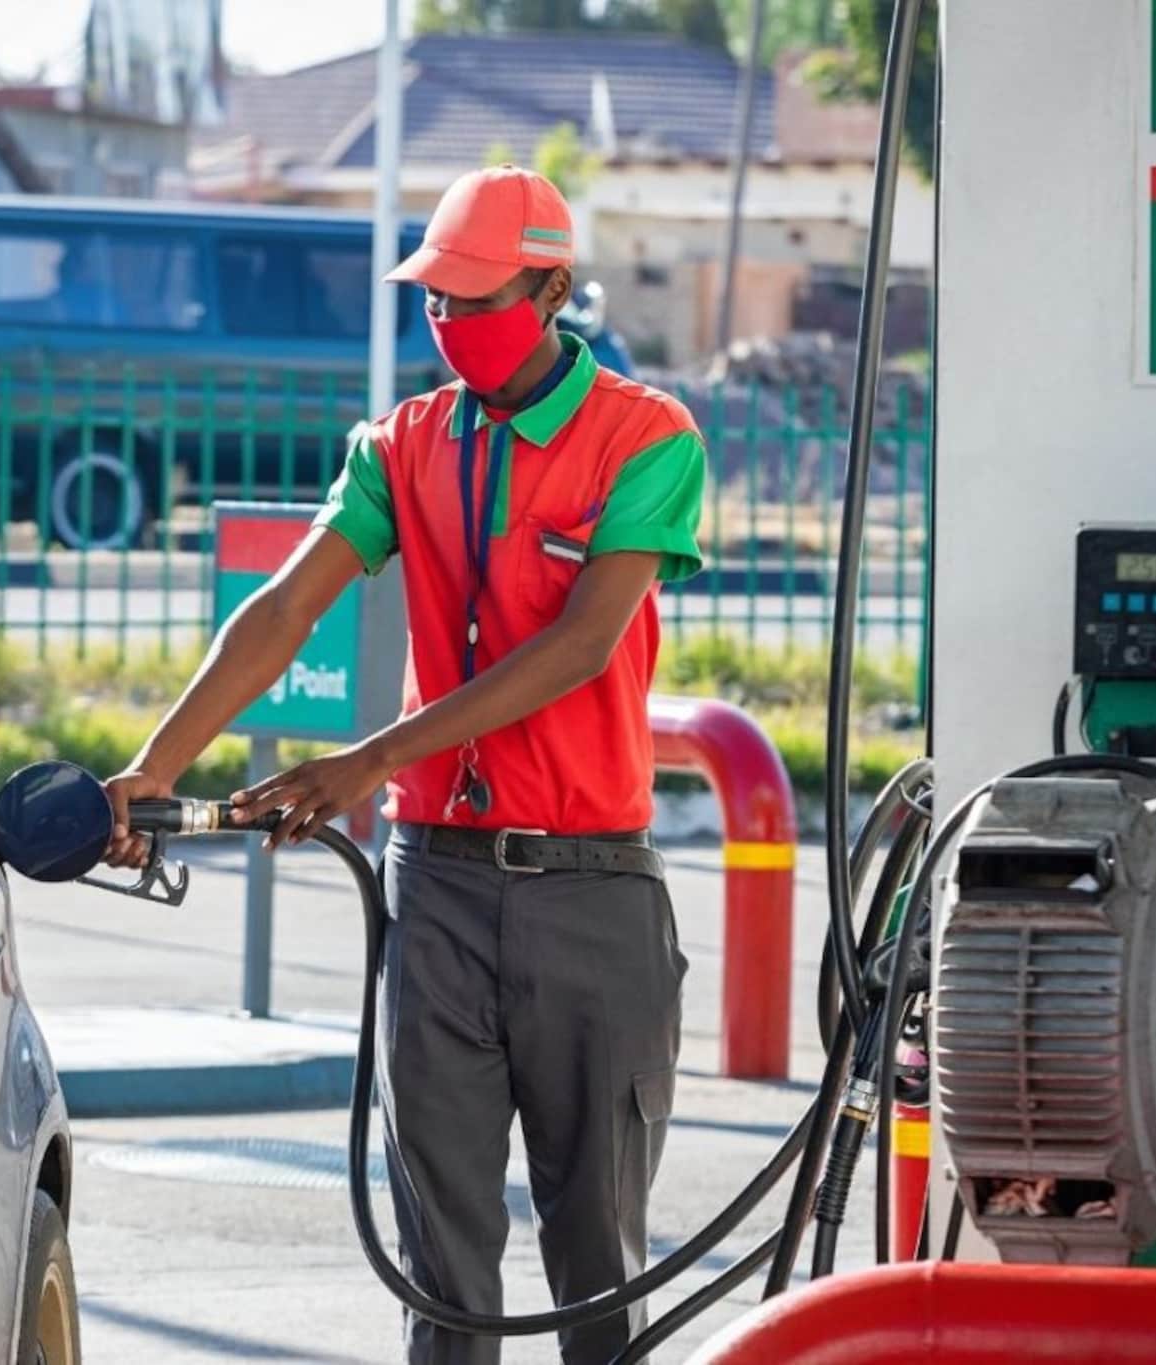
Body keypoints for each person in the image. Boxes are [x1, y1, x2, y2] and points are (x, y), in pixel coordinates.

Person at [102, 164, 706, 1364]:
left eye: (475, 300)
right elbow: (282, 610)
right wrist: (154, 767)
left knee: (593, 1252)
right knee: (443, 1261)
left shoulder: (644, 438)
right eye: (434, 299)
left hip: (589, 890)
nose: (449, 325)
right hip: (435, 888)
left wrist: (366, 759)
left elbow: (581, 646)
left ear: (550, 287)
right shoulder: (401, 445)